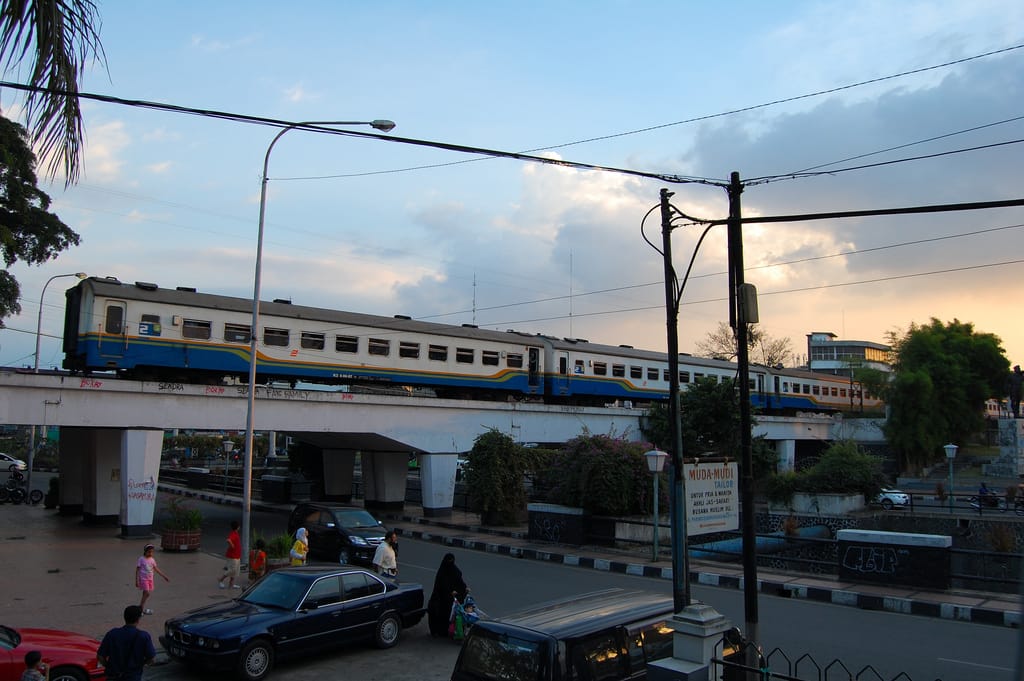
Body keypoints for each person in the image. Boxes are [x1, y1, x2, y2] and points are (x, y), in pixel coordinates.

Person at [98, 605, 156, 681]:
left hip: (113, 676)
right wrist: (142, 664)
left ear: (125, 617)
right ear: (138, 620)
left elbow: (100, 656)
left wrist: (108, 666)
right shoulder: (143, 636)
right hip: (132, 677)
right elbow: (152, 659)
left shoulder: (112, 634)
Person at [428, 553, 468, 637]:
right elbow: (439, 586)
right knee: (435, 610)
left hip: (449, 599)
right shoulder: (442, 572)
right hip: (440, 597)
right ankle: (437, 631)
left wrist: (465, 588)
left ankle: (446, 631)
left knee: (449, 612)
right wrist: (449, 592)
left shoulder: (455, 571)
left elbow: (460, 582)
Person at [136, 544, 169, 615]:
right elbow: (138, 570)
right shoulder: (141, 559)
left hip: (150, 579)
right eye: (149, 552)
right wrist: (137, 580)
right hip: (143, 579)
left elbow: (156, 569)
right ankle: (140, 607)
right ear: (145, 551)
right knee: (147, 593)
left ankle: (141, 608)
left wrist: (164, 576)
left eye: (152, 552)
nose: (151, 553)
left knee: (145, 593)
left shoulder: (152, 560)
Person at [217, 520, 242, 589]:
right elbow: (228, 540)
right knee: (232, 570)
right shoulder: (233, 534)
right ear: (238, 527)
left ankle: (231, 584)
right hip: (232, 556)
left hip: (236, 555)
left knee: (235, 571)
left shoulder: (235, 533)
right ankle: (220, 579)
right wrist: (232, 546)